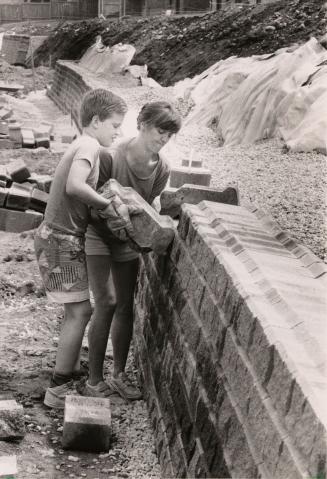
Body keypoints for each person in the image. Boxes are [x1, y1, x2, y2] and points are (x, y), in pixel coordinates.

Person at [34, 88, 137, 409]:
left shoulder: (85, 144)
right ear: (95, 121)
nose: (119, 132)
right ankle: (59, 388)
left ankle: (66, 374)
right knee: (81, 311)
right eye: (115, 125)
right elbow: (74, 186)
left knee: (78, 309)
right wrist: (106, 203)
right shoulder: (89, 145)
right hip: (60, 241)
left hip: (60, 238)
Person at [84, 101, 182, 400]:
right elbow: (91, 205)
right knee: (107, 302)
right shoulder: (111, 156)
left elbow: (145, 208)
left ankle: (118, 375)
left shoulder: (161, 168)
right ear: (141, 124)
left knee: (126, 305)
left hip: (127, 240)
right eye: (159, 130)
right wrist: (114, 219)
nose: (163, 139)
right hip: (98, 236)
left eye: (170, 134)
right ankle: (94, 379)